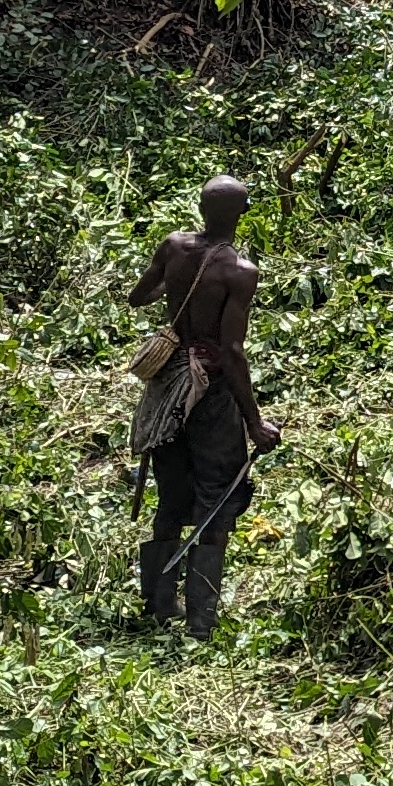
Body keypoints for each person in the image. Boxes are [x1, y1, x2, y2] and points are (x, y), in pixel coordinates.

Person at [129, 174, 279, 640]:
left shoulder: (174, 247)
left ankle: (157, 608)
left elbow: (139, 296)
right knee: (216, 499)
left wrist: (177, 296)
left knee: (171, 491)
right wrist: (254, 421)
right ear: (243, 212)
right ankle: (200, 622)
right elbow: (232, 350)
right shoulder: (240, 271)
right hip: (209, 391)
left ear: (200, 206)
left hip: (168, 385)